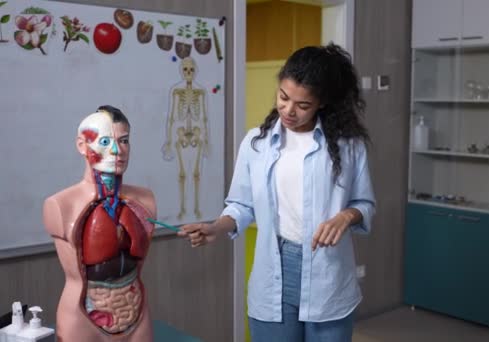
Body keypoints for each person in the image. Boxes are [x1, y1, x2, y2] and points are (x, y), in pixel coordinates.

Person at [180, 43, 375, 341]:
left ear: (322, 103)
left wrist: (346, 216)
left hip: (328, 275)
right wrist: (216, 227)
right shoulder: (255, 144)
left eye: (303, 105)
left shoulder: (349, 146)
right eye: (283, 97)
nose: (289, 110)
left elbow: (364, 203)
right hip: (274, 272)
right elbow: (241, 205)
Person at [43, 105, 156, 341]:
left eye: (124, 141)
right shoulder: (60, 205)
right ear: (82, 146)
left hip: (135, 311)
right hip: (82, 318)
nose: (118, 150)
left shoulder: (145, 201)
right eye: (105, 142)